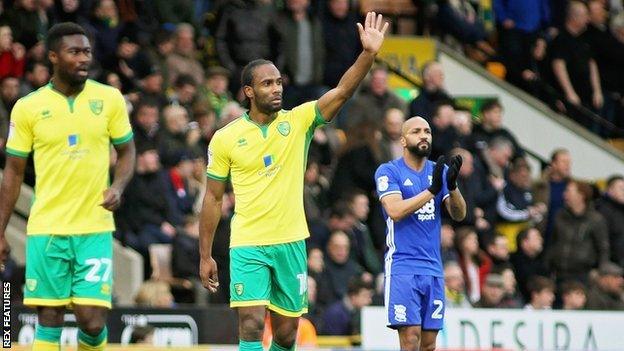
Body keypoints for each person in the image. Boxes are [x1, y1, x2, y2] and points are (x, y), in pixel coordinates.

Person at [198, 12, 389, 351]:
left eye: (278, 82)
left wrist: (368, 55)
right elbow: (212, 198)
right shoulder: (225, 138)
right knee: (252, 325)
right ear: (248, 91)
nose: (276, 89)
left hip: (291, 241)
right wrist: (205, 254)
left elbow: (343, 91)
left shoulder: (298, 121)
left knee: (286, 335)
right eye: (267, 84)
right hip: (248, 242)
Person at [0, 22, 135, 351]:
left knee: (91, 318)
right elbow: (14, 172)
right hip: (47, 227)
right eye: (74, 51)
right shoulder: (29, 106)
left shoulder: (109, 99)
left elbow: (128, 151)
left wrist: (117, 185)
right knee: (49, 316)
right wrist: (1, 230)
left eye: (87, 51)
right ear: (53, 57)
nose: (83, 58)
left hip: (94, 228)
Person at [375, 116, 466, 351]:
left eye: (427, 131)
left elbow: (459, 215)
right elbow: (395, 210)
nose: (424, 135)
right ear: (403, 140)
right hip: (403, 266)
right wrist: (432, 190)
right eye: (416, 131)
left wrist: (452, 187)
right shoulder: (389, 171)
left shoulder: (440, 171)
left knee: (429, 344)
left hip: (434, 269)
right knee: (410, 337)